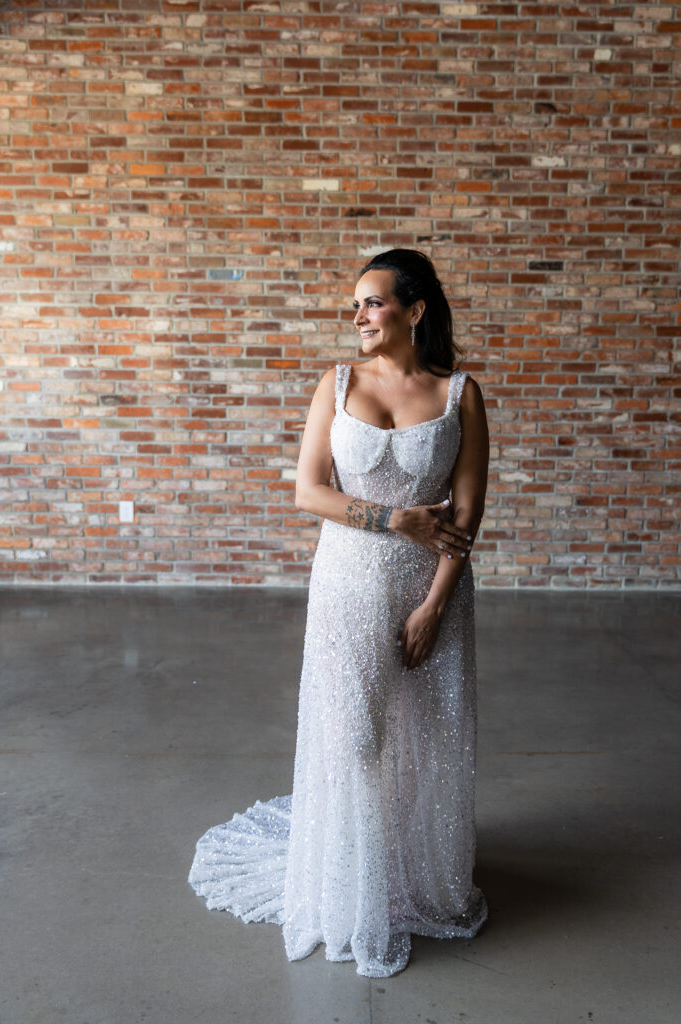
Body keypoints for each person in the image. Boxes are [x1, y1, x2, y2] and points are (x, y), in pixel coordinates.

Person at [188, 248, 490, 978]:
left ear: (414, 311)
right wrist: (394, 521)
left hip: (431, 593)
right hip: (348, 584)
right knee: (354, 739)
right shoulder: (335, 384)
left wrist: (432, 606)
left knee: (426, 739)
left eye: (372, 302)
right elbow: (308, 491)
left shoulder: (460, 395)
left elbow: (469, 515)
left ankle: (417, 875)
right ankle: (353, 893)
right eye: (353, 304)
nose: (357, 315)